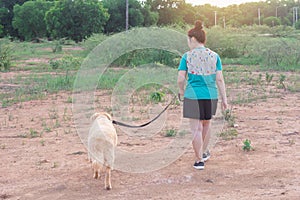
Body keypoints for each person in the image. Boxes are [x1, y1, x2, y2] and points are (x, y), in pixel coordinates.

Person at [177, 20, 228, 170]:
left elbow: (180, 79)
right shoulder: (215, 56)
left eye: (188, 40)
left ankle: (199, 160)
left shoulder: (187, 56)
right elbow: (219, 78)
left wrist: (181, 91)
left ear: (193, 39)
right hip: (211, 95)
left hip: (193, 95)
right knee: (206, 124)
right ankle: (204, 152)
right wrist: (224, 99)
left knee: (196, 129)